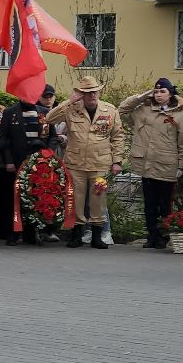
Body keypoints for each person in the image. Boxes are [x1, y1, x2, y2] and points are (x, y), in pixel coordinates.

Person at [41, 76, 124, 249]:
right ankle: (76, 235)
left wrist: (117, 161)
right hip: (75, 163)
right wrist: (68, 101)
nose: (91, 95)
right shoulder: (71, 109)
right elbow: (49, 118)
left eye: (94, 91)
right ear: (81, 94)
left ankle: (96, 236)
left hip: (100, 163)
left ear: (99, 92)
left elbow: (118, 137)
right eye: (87, 92)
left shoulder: (109, 110)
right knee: (75, 200)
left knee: (98, 199)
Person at [118, 78, 183, 249]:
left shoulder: (181, 115)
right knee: (149, 203)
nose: (158, 95)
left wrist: (182, 166)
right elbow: (122, 109)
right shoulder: (144, 110)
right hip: (146, 164)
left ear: (171, 94)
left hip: (167, 164)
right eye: (156, 92)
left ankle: (164, 236)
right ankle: (152, 235)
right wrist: (142, 96)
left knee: (165, 203)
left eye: (163, 92)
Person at [0, 85, 51, 245]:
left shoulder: (44, 112)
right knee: (15, 199)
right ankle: (14, 233)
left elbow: (51, 136)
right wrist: (9, 161)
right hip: (16, 162)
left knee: (35, 197)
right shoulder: (10, 112)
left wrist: (48, 155)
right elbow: (3, 139)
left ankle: (32, 233)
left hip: (39, 163)